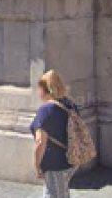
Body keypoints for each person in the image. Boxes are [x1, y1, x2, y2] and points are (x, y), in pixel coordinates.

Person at [29, 70, 79, 198]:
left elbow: (40, 142)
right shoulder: (70, 104)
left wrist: (36, 165)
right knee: (57, 193)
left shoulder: (45, 111)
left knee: (56, 195)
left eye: (38, 88)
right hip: (71, 160)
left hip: (54, 164)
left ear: (44, 90)